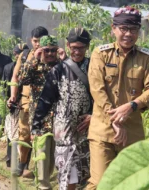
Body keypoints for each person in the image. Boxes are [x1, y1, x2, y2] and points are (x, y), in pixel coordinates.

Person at [87, 6, 149, 190]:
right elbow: (97, 89)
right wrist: (115, 120)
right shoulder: (100, 54)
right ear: (114, 29)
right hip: (102, 131)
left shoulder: (147, 58)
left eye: (133, 30)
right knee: (100, 183)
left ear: (138, 31)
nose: (128, 34)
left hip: (132, 134)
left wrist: (133, 105)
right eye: (124, 29)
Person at [32, 28, 93, 190]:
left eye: (81, 47)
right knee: (67, 172)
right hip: (64, 131)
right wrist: (36, 126)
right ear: (67, 46)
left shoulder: (94, 67)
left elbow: (102, 95)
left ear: (87, 47)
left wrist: (93, 115)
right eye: (73, 47)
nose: (77, 51)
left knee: (85, 174)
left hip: (88, 131)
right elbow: (45, 100)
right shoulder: (58, 70)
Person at [21, 35, 66, 189]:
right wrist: (35, 57)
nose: (50, 54)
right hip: (40, 120)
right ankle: (43, 186)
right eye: (46, 50)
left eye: (53, 50)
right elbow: (22, 78)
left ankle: (45, 182)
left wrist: (64, 58)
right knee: (42, 154)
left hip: (59, 119)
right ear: (41, 50)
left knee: (52, 157)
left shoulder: (62, 67)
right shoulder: (35, 67)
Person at [7, 26, 49, 177]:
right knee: (24, 134)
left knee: (43, 136)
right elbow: (15, 77)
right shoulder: (25, 55)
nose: (38, 44)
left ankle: (42, 169)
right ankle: (22, 164)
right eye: (35, 41)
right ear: (31, 40)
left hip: (46, 103)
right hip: (26, 101)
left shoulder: (51, 54)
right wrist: (13, 95)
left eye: (41, 41)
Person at [2, 43, 29, 167]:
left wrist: (7, 99)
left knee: (14, 133)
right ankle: (20, 162)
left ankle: (12, 160)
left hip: (15, 103)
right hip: (21, 103)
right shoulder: (30, 65)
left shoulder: (8, 67)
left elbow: (4, 87)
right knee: (21, 133)